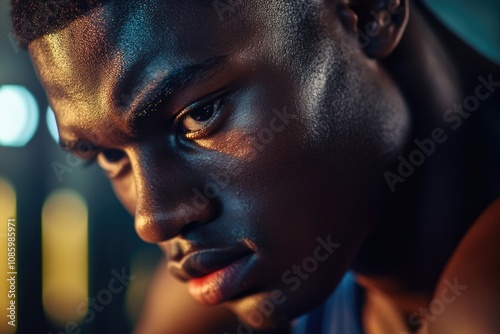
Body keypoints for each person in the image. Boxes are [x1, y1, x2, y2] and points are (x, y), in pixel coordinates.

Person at [11, 0, 500, 332]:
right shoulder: (223, 284)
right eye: (111, 155)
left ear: (367, 12)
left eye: (199, 115)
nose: (153, 219)